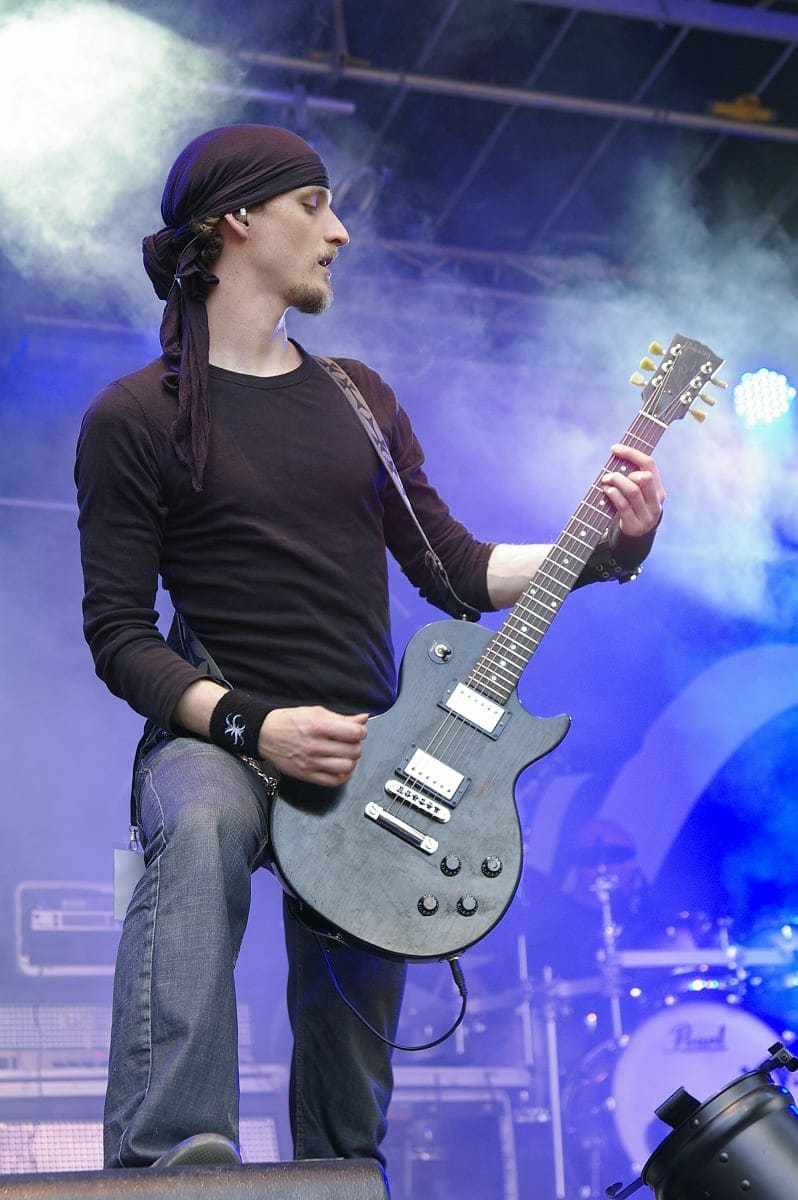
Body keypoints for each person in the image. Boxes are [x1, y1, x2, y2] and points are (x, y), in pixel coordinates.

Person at [74, 124, 665, 1176]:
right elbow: (118, 635)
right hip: (219, 738)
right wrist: (253, 725)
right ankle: (175, 1163)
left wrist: (609, 552)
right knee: (201, 825)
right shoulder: (134, 416)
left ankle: (343, 1179)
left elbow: (455, 570)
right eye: (314, 205)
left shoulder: (359, 396)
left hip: (366, 753)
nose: (339, 231)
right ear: (236, 220)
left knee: (350, 1112)